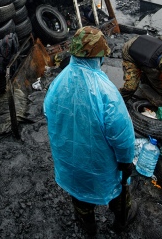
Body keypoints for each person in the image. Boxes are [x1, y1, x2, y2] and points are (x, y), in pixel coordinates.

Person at [44, 27, 136, 235]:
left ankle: (89, 228)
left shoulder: (58, 82)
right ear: (99, 56)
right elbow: (121, 134)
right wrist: (125, 161)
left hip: (70, 159)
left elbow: (48, 112)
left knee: (80, 195)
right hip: (99, 162)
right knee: (118, 191)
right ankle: (121, 220)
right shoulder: (105, 90)